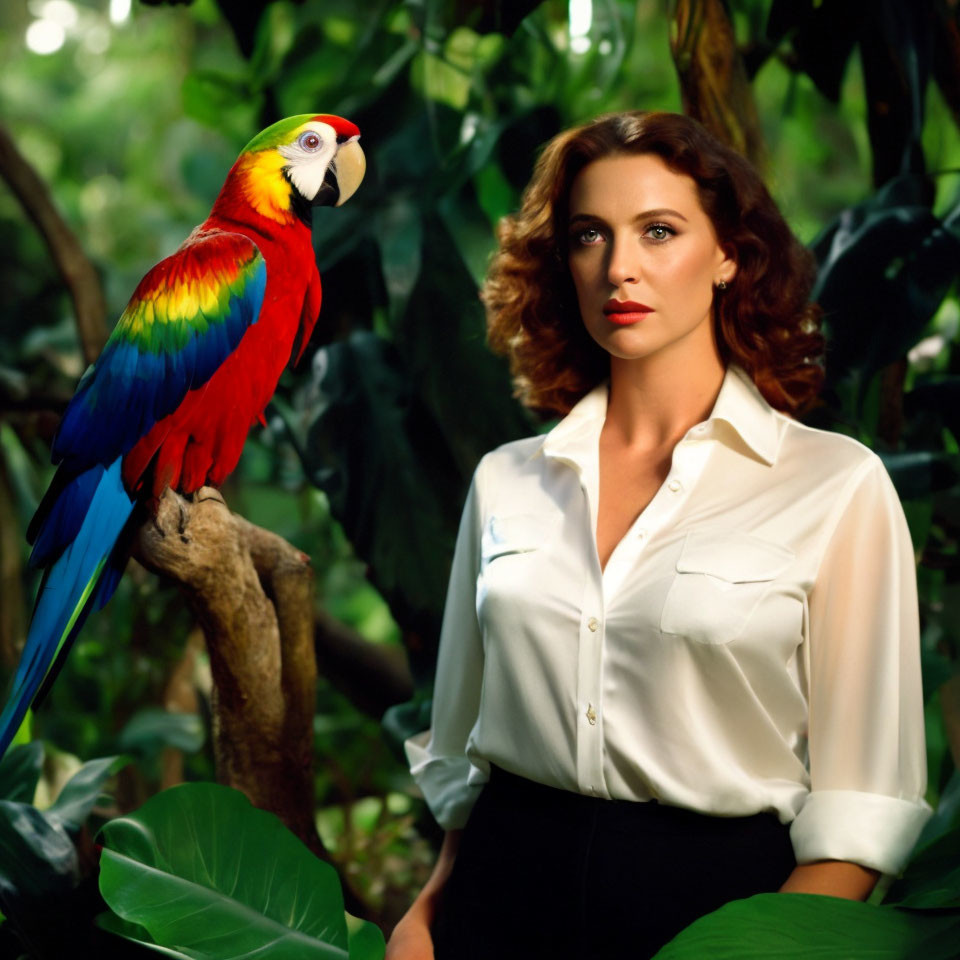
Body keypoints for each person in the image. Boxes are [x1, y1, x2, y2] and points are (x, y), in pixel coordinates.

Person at [385, 110, 931, 960]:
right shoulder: (506, 480)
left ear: (728, 256)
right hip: (492, 910)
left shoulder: (836, 487)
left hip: (723, 917)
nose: (620, 268)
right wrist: (424, 918)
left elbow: (860, 823)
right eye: (589, 236)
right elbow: (471, 765)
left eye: (660, 231)